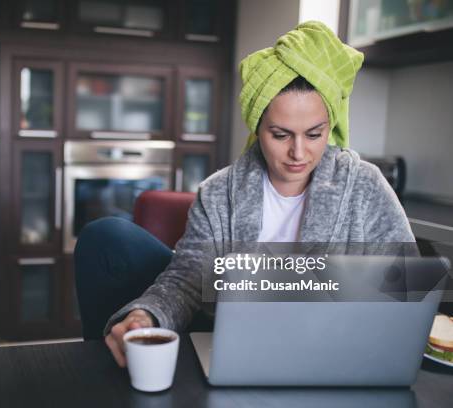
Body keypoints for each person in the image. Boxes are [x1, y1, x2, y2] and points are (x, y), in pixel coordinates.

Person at [74, 21, 416, 368]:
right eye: (281, 135)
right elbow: (190, 279)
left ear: (330, 125)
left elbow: (407, 282)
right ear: (258, 128)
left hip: (332, 350)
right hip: (235, 344)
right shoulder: (219, 192)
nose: (299, 153)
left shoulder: (365, 185)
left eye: (314, 134)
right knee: (106, 236)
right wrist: (148, 314)